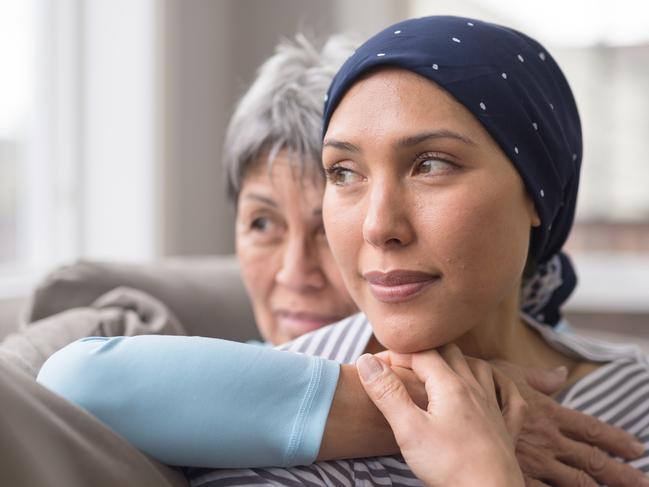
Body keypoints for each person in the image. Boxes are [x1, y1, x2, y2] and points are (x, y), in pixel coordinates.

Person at [37, 22, 649, 487]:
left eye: (430, 164)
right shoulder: (260, 410)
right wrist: (438, 417)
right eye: (344, 171)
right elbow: (70, 384)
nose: (378, 226)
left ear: (536, 191)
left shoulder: (632, 404)